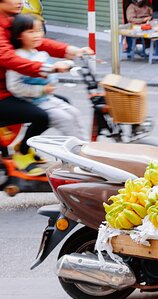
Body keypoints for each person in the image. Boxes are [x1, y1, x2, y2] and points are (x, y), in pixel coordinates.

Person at [0, 0, 90, 174]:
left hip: (12, 89)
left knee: (65, 103)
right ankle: (22, 152)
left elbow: (36, 41)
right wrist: (48, 68)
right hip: (3, 95)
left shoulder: (11, 21)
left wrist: (71, 50)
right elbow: (7, 57)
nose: (21, 1)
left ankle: (80, 153)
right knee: (42, 116)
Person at [6, 14, 84, 140]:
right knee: (65, 120)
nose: (37, 35)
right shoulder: (18, 57)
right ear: (18, 35)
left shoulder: (38, 53)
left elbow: (49, 73)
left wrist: (65, 64)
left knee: (74, 113)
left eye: (39, 30)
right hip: (32, 100)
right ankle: (76, 153)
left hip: (45, 98)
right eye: (31, 32)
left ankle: (83, 147)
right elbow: (14, 86)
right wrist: (41, 89)